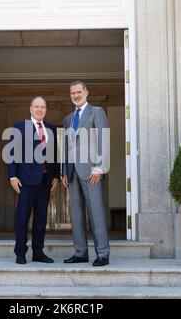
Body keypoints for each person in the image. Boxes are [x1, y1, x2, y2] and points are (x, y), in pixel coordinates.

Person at [62, 81, 110, 267]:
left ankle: (103, 254)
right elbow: (66, 147)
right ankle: (80, 252)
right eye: (73, 93)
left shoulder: (96, 112)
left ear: (86, 93)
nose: (76, 95)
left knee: (96, 212)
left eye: (79, 92)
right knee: (76, 214)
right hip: (73, 172)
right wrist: (64, 171)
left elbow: (103, 140)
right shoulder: (68, 119)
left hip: (91, 171)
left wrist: (99, 167)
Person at [7, 96, 60, 264]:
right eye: (36, 107)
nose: (39, 110)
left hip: (45, 181)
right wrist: (12, 176)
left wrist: (56, 176)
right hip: (25, 180)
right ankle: (20, 253)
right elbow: (11, 154)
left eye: (42, 107)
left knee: (41, 218)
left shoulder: (51, 128)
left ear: (45, 110)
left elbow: (54, 155)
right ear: (30, 109)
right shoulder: (20, 127)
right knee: (22, 217)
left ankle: (38, 252)